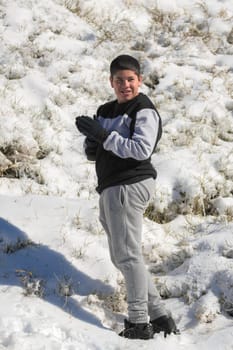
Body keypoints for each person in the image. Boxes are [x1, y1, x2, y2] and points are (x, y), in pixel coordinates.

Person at [75, 54, 179, 340]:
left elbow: (141, 148)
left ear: (140, 80)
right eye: (119, 80)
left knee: (127, 255)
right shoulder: (105, 110)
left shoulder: (143, 108)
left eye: (130, 79)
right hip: (110, 185)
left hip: (130, 184)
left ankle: (138, 322)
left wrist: (104, 137)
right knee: (121, 256)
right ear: (111, 82)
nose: (125, 85)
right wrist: (93, 142)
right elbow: (96, 148)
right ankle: (159, 316)